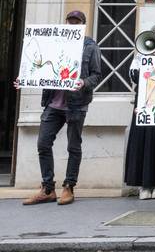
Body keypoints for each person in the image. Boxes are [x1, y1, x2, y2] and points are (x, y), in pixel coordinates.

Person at [19, 10, 101, 206]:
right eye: (70, 21)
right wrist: (23, 78)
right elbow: (38, 66)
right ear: (65, 23)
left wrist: (83, 82)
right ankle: (47, 188)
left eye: (77, 22)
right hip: (53, 104)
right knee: (43, 144)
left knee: (73, 146)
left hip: (77, 104)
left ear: (83, 25)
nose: (73, 25)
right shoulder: (54, 43)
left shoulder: (90, 46)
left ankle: (69, 186)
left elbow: (97, 75)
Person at [124, 23, 155, 200]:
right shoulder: (141, 54)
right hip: (144, 102)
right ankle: (144, 184)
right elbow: (134, 76)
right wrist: (147, 58)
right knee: (143, 141)